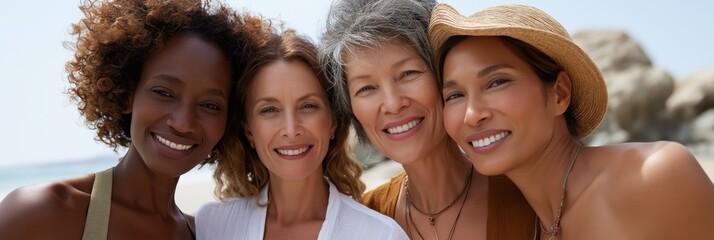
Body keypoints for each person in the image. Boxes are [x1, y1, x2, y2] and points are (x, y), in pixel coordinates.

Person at [430, 3, 714, 239]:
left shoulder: (653, 176)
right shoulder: (517, 226)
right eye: (454, 95)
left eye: (496, 82)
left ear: (560, 93)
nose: (472, 113)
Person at [0, 0, 263, 239]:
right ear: (127, 94)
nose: (183, 122)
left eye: (210, 105)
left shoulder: (203, 233)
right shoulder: (44, 213)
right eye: (163, 92)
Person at [319, 0, 537, 239]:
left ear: (445, 74)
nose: (393, 104)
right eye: (366, 88)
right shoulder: (362, 224)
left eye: (408, 73)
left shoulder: (532, 194)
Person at [196, 28, 407, 240]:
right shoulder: (213, 225)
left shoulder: (380, 234)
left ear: (333, 121)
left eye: (308, 106)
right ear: (249, 130)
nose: (291, 129)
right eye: (269, 110)